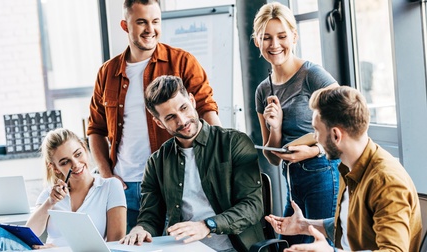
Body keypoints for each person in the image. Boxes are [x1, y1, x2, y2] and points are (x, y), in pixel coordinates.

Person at [87, 0, 221, 233]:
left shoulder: (182, 62)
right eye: (141, 22)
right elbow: (95, 130)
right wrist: (108, 176)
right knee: (127, 249)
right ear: (125, 25)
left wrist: (221, 160)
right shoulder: (107, 72)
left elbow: (207, 110)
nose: (150, 29)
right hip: (123, 186)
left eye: (155, 21)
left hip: (171, 182)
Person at [265, 86, 422, 252]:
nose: (315, 138)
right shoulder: (349, 168)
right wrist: (305, 225)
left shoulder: (386, 182)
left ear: (335, 135)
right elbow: (350, 225)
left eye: (316, 130)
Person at [119, 75, 264, 252]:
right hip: (182, 249)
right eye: (171, 117)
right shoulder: (157, 163)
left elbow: (253, 206)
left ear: (192, 101)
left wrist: (207, 225)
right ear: (159, 123)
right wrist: (139, 229)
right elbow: (151, 218)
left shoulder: (234, 143)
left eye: (184, 108)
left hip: (234, 248)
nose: (182, 121)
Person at [252, 2, 340, 245]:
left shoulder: (312, 75)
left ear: (294, 36)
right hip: (292, 179)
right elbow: (271, 157)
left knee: (321, 246)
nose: (275, 44)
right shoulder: (262, 90)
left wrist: (316, 149)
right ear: (257, 41)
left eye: (281, 36)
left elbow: (347, 119)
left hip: (322, 172)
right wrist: (276, 127)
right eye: (266, 37)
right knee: (292, 247)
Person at [0, 128, 127, 251]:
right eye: (65, 162)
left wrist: (58, 249)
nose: (75, 164)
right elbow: (30, 235)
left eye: (78, 154)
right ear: (55, 168)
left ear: (84, 147)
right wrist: (50, 202)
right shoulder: (51, 194)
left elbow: (113, 245)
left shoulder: (111, 187)